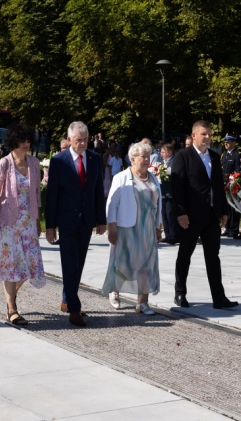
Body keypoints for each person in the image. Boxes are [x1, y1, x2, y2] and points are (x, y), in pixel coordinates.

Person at [45, 121, 107, 327]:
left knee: (78, 264)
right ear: (70, 139)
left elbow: (98, 191)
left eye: (86, 139)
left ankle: (67, 297)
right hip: (66, 220)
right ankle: (74, 308)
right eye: (79, 140)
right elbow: (52, 195)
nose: (82, 143)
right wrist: (50, 225)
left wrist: (101, 220)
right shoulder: (58, 161)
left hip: (87, 219)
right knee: (69, 263)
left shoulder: (95, 159)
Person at [0, 125, 45, 325]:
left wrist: (37, 220)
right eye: (22, 140)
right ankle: (12, 309)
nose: (26, 144)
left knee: (28, 265)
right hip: (9, 223)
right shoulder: (4, 164)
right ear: (14, 142)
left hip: (28, 222)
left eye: (28, 140)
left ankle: (11, 298)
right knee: (11, 265)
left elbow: (36, 193)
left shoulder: (35, 163)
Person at [171, 120, 238, 309]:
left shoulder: (215, 158)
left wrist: (223, 211)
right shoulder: (183, 156)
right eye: (203, 134)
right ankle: (180, 293)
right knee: (185, 254)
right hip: (190, 217)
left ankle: (219, 297)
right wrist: (181, 212)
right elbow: (177, 187)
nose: (207, 137)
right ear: (194, 135)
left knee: (213, 256)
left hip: (211, 216)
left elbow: (218, 186)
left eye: (209, 134)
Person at [103, 142, 162, 314]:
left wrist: (159, 228)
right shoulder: (121, 177)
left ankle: (142, 303)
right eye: (142, 157)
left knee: (147, 264)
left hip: (148, 228)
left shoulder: (153, 178)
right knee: (123, 262)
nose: (146, 160)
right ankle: (115, 291)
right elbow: (111, 205)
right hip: (127, 226)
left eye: (148, 156)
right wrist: (112, 228)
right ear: (132, 159)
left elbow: (158, 204)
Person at [221, 135, 241, 237]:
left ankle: (234, 229)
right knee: (227, 208)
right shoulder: (224, 155)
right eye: (225, 142)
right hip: (225, 184)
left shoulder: (236, 155)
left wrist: (233, 179)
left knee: (234, 208)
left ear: (233, 143)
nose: (226, 144)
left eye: (228, 142)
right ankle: (227, 228)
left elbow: (238, 170)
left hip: (232, 184)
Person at [160, 143, 178, 244]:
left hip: (170, 193)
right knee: (164, 215)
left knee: (171, 215)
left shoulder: (174, 161)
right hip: (163, 193)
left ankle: (173, 235)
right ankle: (167, 235)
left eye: (163, 152)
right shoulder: (162, 162)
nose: (161, 154)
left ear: (169, 152)